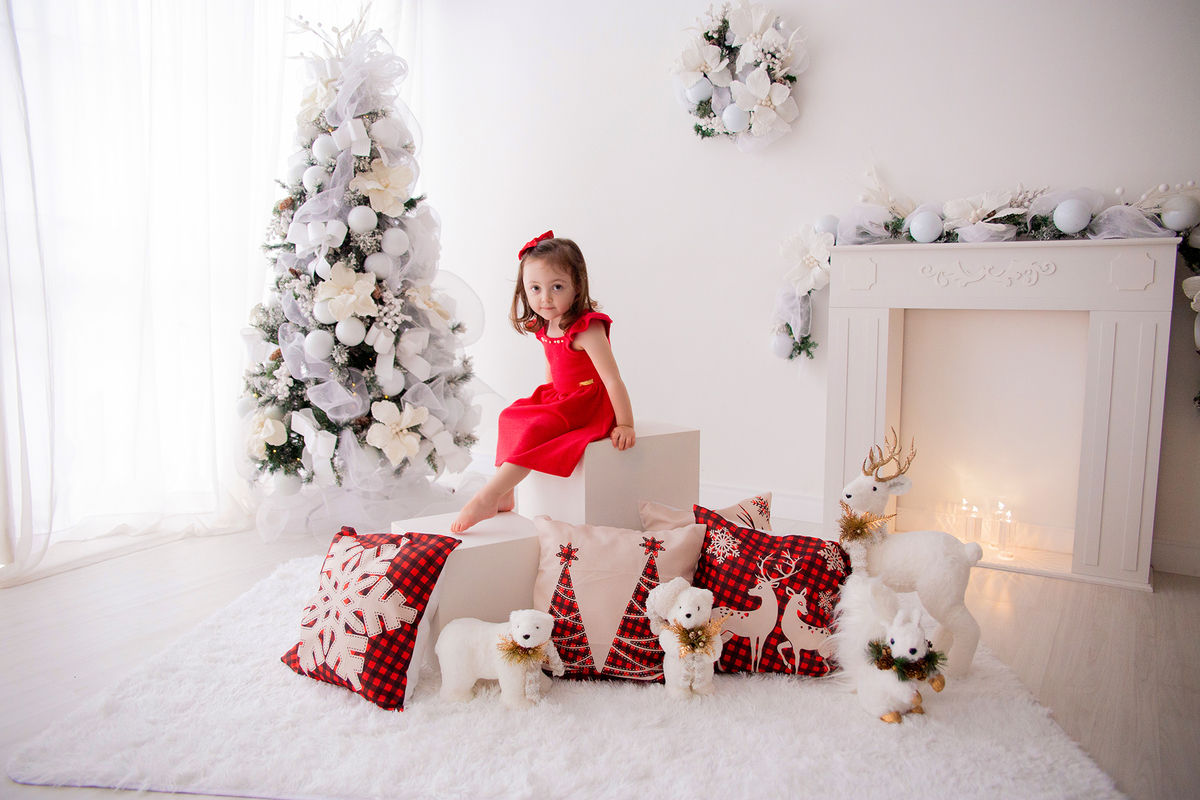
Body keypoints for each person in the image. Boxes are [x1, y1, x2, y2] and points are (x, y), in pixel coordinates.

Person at [451, 231, 635, 533]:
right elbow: (554, 365)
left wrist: (625, 423)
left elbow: (612, 379)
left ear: (577, 287)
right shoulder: (546, 323)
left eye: (557, 287)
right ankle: (507, 494)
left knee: (538, 430)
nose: (545, 298)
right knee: (511, 416)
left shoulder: (587, 328)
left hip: (590, 403)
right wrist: (548, 397)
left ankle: (488, 494)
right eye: (534, 288)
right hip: (562, 396)